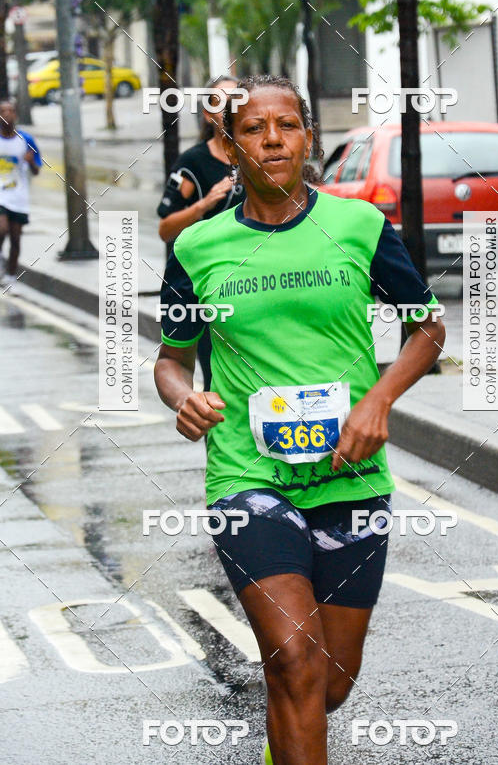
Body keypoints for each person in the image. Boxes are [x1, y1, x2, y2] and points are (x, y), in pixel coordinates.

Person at [154, 75, 445, 765]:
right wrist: (183, 397)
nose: (273, 140)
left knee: (329, 682)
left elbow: (427, 329)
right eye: (254, 129)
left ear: (308, 138)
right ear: (230, 146)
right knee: (292, 659)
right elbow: (171, 360)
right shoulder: (197, 247)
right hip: (247, 477)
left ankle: (283, 746)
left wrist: (377, 400)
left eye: (287, 125)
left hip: (351, 478)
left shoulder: (359, 226)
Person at [157, 75, 244, 391]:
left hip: (256, 280)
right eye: (221, 103)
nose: (230, 109)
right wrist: (204, 205)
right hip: (209, 288)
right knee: (217, 378)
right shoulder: (192, 163)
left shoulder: (259, 160)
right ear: (208, 114)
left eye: (238, 100)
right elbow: (165, 228)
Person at [0, 98, 42, 290]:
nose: (7, 114)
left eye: (10, 111)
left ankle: (10, 277)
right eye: (3, 111)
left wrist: (31, 161)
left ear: (15, 115)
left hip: (19, 196)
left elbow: (36, 171)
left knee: (16, 239)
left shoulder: (26, 140)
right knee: (2, 229)